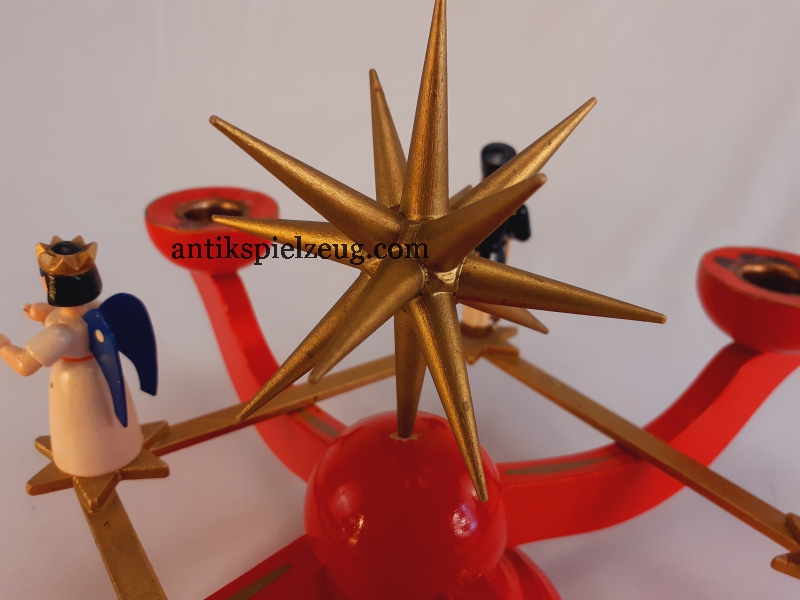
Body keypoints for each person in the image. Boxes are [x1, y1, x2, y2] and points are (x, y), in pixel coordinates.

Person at [0, 236, 156, 477]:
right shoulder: (100, 309)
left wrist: (5, 347)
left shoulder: (60, 333)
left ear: (50, 285)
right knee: (112, 421)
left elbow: (24, 365)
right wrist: (41, 313)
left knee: (80, 431)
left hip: (73, 384)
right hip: (104, 373)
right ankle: (125, 448)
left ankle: (85, 463)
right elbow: (68, 315)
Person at [461, 143, 532, 333]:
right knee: (472, 300)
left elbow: (522, 235)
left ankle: (485, 327)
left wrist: (519, 213)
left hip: (496, 256)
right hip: (473, 257)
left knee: (490, 299)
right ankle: (471, 328)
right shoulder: (473, 201)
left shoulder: (515, 206)